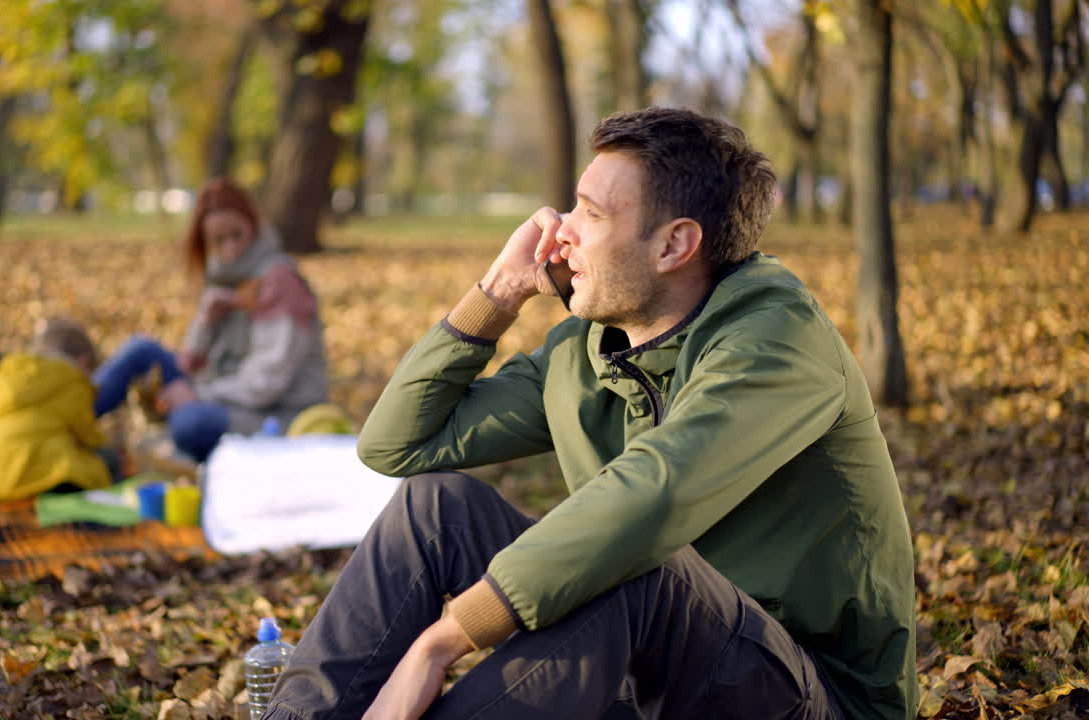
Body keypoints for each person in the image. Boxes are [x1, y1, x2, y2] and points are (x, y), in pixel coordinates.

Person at [263, 108, 917, 720]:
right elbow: (395, 447)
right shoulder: (585, 353)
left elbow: (651, 500)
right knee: (437, 509)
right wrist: (500, 291)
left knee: (640, 564)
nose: (558, 227)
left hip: (809, 693)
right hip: (650, 669)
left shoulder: (776, 340)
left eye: (591, 212)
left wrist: (446, 636)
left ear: (673, 246)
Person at [93, 177, 330, 460]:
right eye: (218, 241)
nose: (230, 249)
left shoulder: (279, 281)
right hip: (224, 394)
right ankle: (65, 417)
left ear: (253, 227)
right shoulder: (224, 278)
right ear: (205, 244)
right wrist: (205, 323)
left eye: (236, 235)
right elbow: (189, 365)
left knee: (191, 423)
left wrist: (196, 394)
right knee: (140, 350)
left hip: (275, 414)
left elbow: (268, 383)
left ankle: (176, 445)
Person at [0, 317, 116, 503]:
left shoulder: (10, 372)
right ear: (84, 362)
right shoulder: (73, 380)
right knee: (107, 459)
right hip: (40, 473)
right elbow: (87, 435)